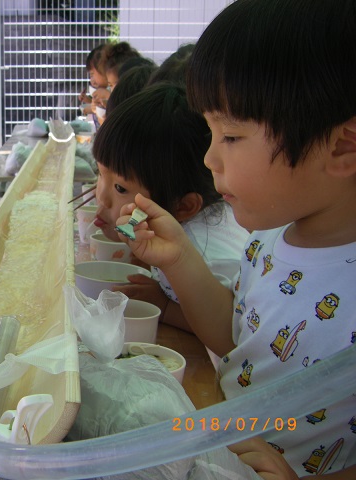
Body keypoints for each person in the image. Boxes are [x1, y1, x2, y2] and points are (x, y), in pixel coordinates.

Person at [116, 0, 356, 477]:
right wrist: (179, 259)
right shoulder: (269, 239)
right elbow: (237, 338)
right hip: (221, 446)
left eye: (230, 136)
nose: (210, 159)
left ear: (340, 148)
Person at [92, 83, 249, 331]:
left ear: (184, 207)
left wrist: (167, 308)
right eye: (100, 174)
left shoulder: (203, 255)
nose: (101, 197)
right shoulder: (182, 228)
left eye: (120, 188)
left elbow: (236, 328)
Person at [78, 44, 109, 117]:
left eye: (92, 74)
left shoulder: (109, 91)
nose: (91, 80)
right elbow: (97, 106)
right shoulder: (102, 91)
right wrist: (88, 100)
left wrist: (107, 94)